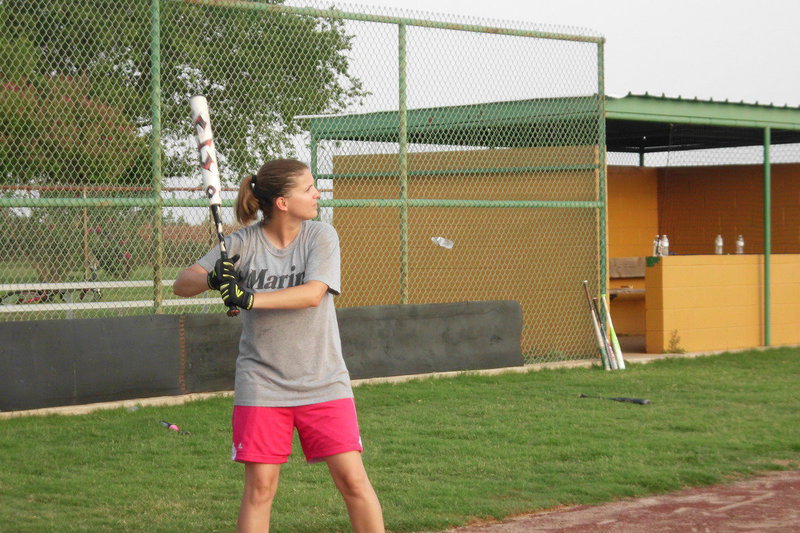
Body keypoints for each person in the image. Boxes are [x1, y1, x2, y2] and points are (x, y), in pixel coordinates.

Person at [173, 159, 384, 533]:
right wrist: (211, 279)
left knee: (352, 481)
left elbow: (313, 293)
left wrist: (249, 298)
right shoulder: (241, 243)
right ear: (283, 202)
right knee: (260, 489)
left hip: (323, 379)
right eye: (308, 188)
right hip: (262, 384)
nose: (317, 193)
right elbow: (182, 283)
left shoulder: (320, 235)